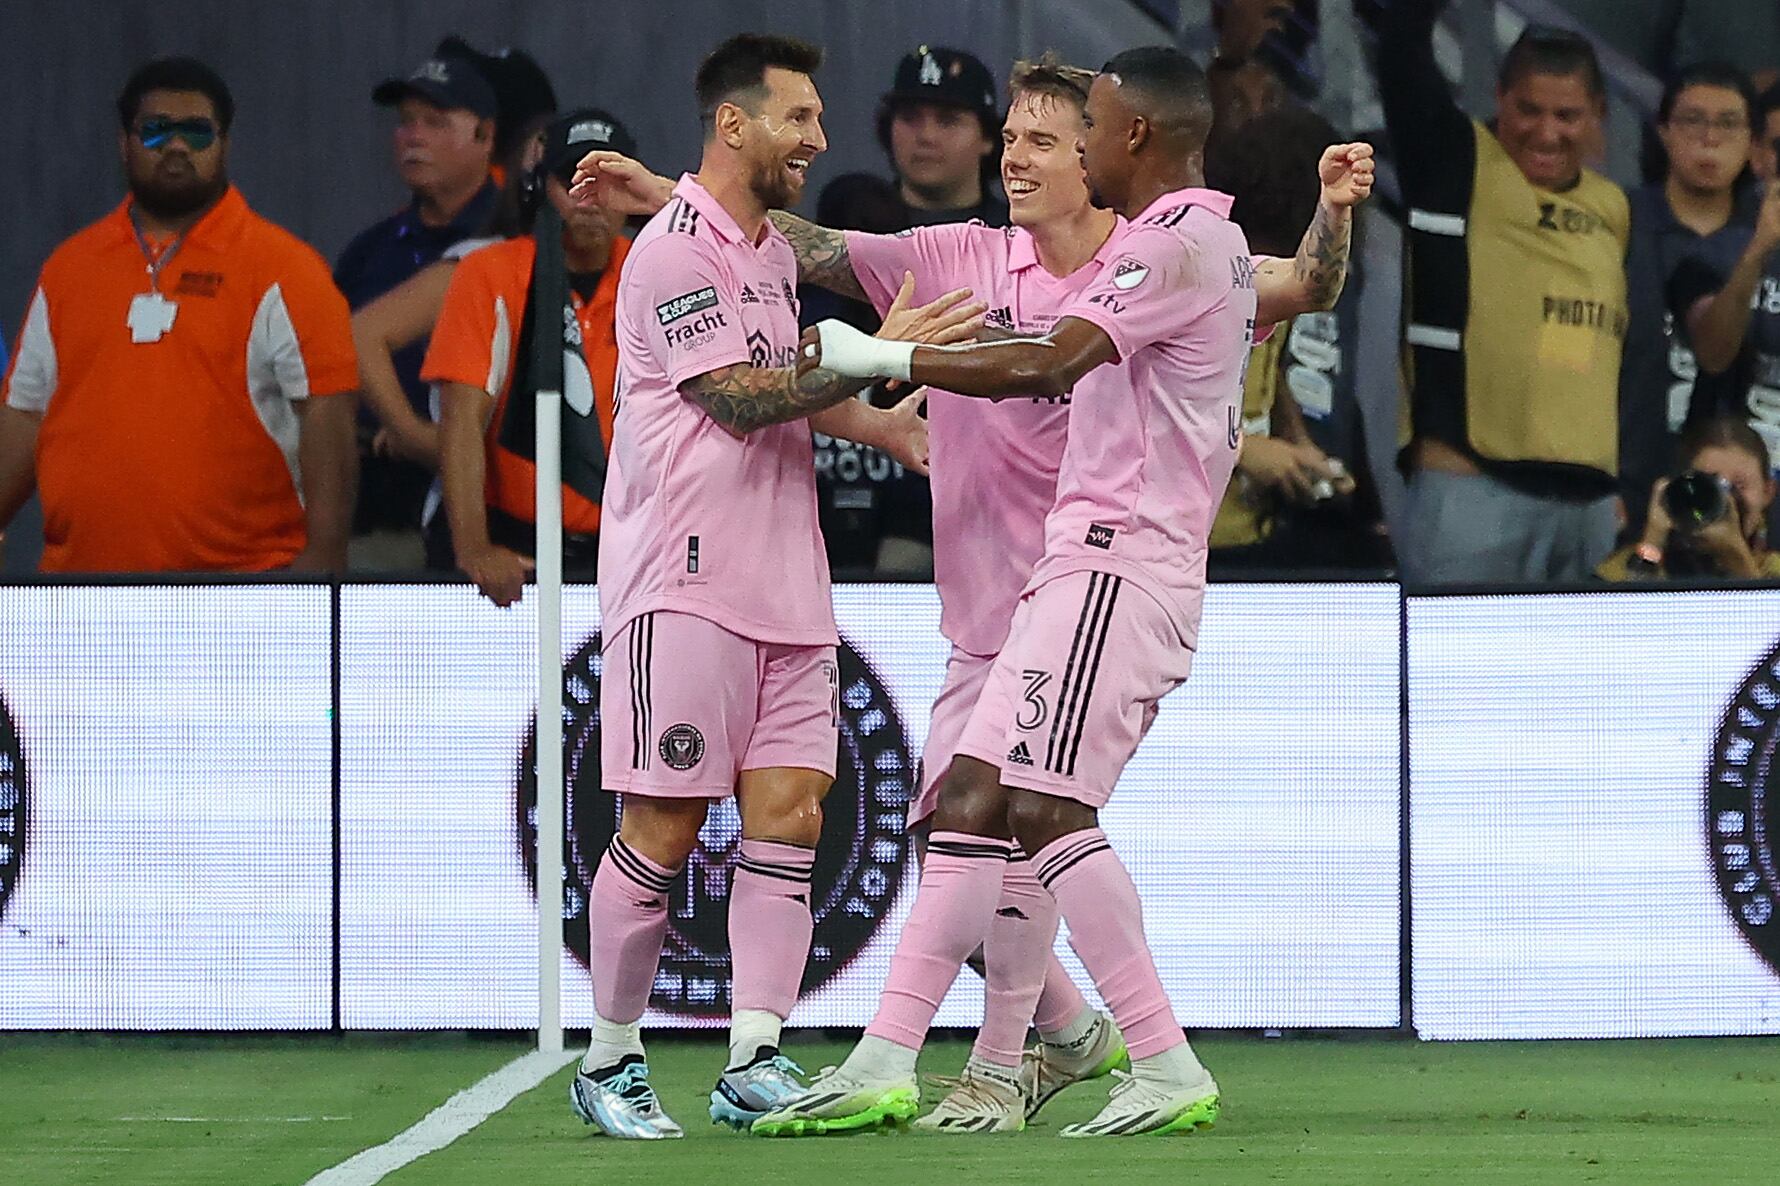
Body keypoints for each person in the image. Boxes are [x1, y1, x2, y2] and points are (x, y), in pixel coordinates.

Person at [575, 55, 1370, 1128]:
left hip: (1095, 575)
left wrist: (1330, 219)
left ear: (1111, 149)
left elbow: (1298, 289)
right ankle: (1065, 1034)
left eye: (1052, 136)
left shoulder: (1158, 253)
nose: (1023, 156)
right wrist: (679, 197)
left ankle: (990, 1062)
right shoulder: (962, 254)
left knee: (1015, 812)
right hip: (1006, 599)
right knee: (975, 817)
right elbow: (796, 241)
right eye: (1017, 137)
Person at [564, 33, 982, 1140]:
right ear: (734, 123)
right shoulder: (669, 252)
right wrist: (867, 357)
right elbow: (741, 400)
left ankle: (755, 1053)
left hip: (788, 584)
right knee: (660, 820)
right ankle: (609, 1060)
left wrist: (880, 425)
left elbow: (793, 382)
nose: (821, 136)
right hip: (683, 581)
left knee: (790, 819)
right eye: (799, 115)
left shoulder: (760, 252)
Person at [0, 57, 357, 574]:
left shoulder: (285, 267)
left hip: (243, 589)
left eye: (197, 132)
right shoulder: (69, 267)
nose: (176, 147)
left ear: (225, 144)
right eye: (155, 131)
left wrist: (325, 559)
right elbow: (24, 413)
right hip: (77, 589)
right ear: (123, 144)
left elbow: (328, 411)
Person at [1375, 2, 1628, 584]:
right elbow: (1401, 52)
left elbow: (1629, 358)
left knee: (1581, 678)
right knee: (1456, 674)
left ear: (1599, 116)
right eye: (1528, 109)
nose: (1546, 132)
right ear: (1499, 97)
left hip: (1589, 505)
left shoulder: (1613, 207)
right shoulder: (1455, 161)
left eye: (1568, 115)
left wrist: (1626, 483)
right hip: (1469, 487)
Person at [420, 109, 636, 606]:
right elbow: (461, 421)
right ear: (543, 189)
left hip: (633, 553)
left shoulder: (660, 270)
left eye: (607, 183)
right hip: (515, 548)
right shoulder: (488, 273)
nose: (589, 200)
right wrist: (475, 548)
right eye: (573, 180)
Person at [336, 49, 501, 567]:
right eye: (406, 122)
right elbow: (328, 366)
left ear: (485, 136)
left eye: (435, 121)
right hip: (379, 502)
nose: (413, 136)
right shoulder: (370, 250)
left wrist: (414, 435)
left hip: (498, 505)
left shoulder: (510, 239)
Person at [1621, 63, 1759, 542]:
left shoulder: (1768, 233)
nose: (1709, 138)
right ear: (1663, 131)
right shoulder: (1618, 219)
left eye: (1728, 123)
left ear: (1753, 141)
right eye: (1692, 120)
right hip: (1632, 477)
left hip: (1754, 484)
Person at [1670, 128, 1780, 513]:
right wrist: (1759, 250)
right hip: (1729, 485)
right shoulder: (1714, 253)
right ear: (1759, 157)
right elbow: (1714, 353)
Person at [1601, 415, 1780, 579]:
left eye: (1740, 485)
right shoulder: (1639, 560)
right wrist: (1653, 540)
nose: (1727, 499)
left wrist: (1736, 556)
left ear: (1768, 491)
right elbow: (1623, 606)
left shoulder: (1774, 568)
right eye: (1712, 483)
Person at [877, 45, 1006, 226]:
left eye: (948, 121)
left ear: (987, 138)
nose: (927, 136)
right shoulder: (850, 236)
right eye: (910, 118)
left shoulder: (1022, 239)